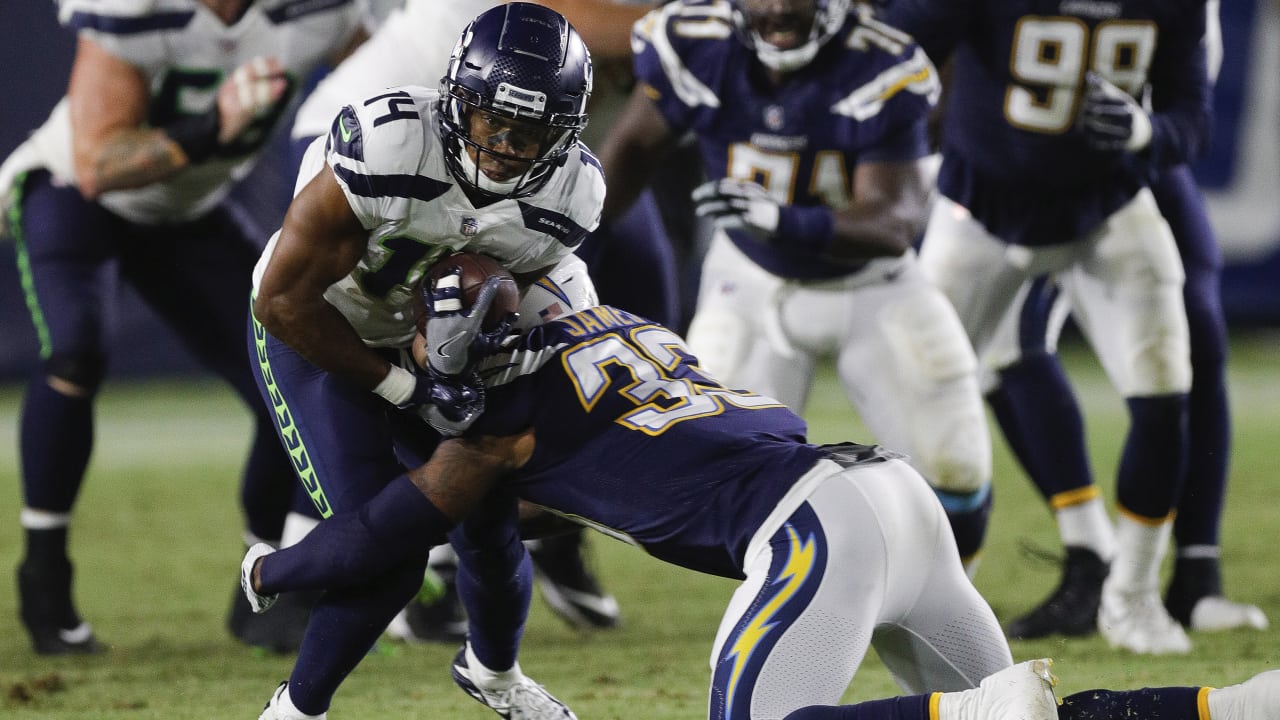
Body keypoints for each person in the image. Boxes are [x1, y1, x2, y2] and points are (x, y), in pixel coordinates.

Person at [240, 301, 1280, 720]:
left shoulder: (491, 424)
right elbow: (497, 552)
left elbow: (386, 537)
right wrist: (498, 672)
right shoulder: (608, 324)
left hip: (817, 532)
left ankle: (982, 712)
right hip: (890, 495)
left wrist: (269, 571)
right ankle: (1236, 709)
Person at [247, 3, 602, 716]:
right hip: (324, 332)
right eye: (492, 121)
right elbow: (281, 301)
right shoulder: (389, 143)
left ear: (564, 133)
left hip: (431, 346)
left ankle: (495, 675)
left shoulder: (573, 193)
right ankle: (292, 707)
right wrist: (406, 388)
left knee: (491, 521)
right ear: (457, 100)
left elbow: (513, 292)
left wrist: (463, 355)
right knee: (393, 555)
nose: (505, 146)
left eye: (530, 132)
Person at [0, 0, 368, 655]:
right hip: (72, 191)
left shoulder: (323, 11)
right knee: (75, 352)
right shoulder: (137, 10)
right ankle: (44, 571)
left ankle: (265, 581)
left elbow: (380, 83)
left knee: (289, 369)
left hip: (189, 209)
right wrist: (210, 127)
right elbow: (97, 162)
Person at [592, 0, 996, 571]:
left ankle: (946, 597)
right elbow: (633, 148)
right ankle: (790, 591)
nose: (780, 8)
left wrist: (783, 219)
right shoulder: (696, 42)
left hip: (870, 285)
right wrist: (574, 243)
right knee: (719, 481)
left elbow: (892, 223)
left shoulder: (880, 62)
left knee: (956, 467)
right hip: (749, 283)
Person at [906, 0, 1265, 639]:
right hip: (987, 197)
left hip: (1111, 191)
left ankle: (1154, 590)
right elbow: (896, 45)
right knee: (927, 388)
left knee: (1176, 366)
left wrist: (1147, 131)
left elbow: (1191, 114)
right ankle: (1053, 560)